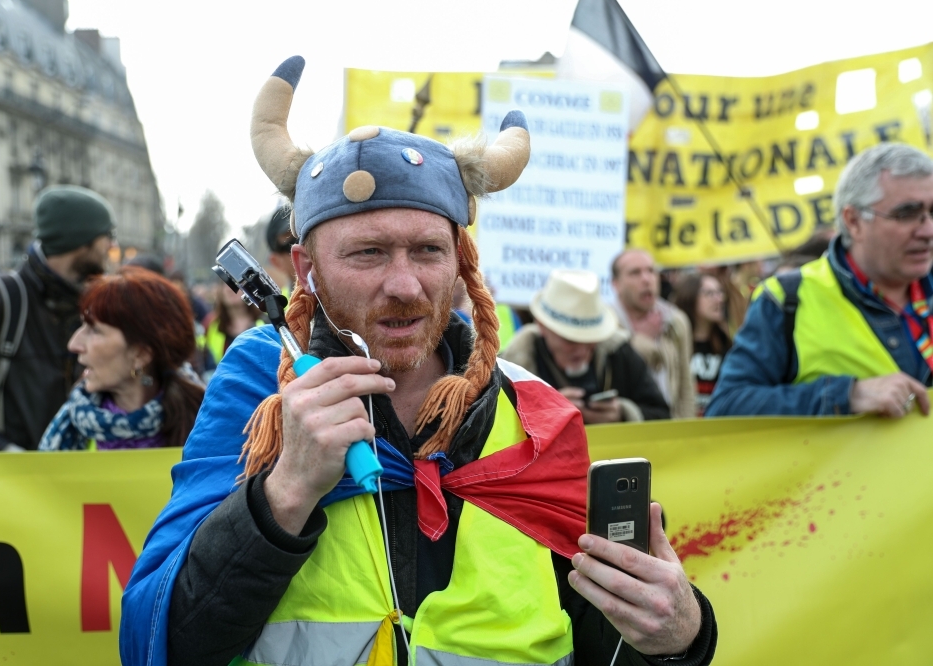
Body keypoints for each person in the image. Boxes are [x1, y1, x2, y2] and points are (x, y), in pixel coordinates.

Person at [121, 57, 716, 666]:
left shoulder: (536, 416)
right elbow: (161, 643)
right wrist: (288, 488)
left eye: (427, 250)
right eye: (369, 252)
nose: (404, 285)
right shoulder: (257, 393)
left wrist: (679, 639)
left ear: (460, 261)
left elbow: (600, 643)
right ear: (306, 270)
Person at [706, 142, 933, 417]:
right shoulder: (787, 298)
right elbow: (726, 408)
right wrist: (847, 395)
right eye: (907, 214)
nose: (927, 230)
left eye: (931, 213)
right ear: (853, 221)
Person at [0, 268, 206, 477]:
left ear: (141, 354)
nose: (74, 344)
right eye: (81, 326)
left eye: (94, 330)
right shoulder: (70, 425)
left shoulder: (210, 434)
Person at [0, 186, 115, 457]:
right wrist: (7, 452)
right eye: (106, 237)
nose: (111, 247)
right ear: (81, 241)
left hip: (83, 484)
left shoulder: (95, 303)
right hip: (13, 490)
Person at [502, 269, 670, 423]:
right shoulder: (513, 366)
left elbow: (662, 416)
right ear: (542, 326)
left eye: (591, 339)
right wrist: (544, 411)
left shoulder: (618, 350)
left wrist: (623, 413)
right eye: (570, 340)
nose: (582, 350)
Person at [611, 249, 696, 419]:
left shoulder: (676, 321)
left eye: (651, 271)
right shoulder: (606, 323)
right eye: (635, 273)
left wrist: (687, 430)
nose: (646, 279)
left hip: (668, 428)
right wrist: (641, 342)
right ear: (616, 284)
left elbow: (685, 385)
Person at [672, 274, 732, 417]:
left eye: (720, 292)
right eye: (710, 293)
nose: (719, 299)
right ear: (690, 297)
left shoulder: (727, 343)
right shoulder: (673, 342)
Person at [201, 279, 266, 373]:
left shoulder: (266, 322)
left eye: (235, 284)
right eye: (225, 285)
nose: (229, 289)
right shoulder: (211, 326)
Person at [264, 205, 297, 295]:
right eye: (293, 243)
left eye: (307, 236)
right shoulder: (281, 308)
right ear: (276, 262)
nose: (304, 248)